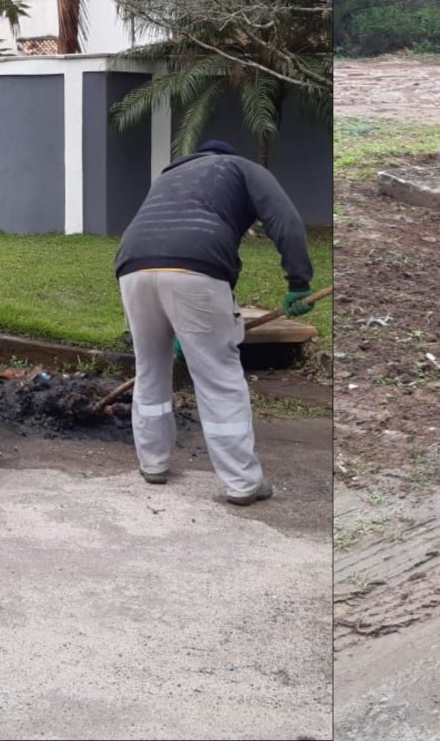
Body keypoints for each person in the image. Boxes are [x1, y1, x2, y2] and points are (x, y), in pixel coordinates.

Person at [114, 139, 315, 505]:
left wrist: (181, 328)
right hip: (197, 265)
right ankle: (243, 482)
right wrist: (298, 283)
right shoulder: (242, 168)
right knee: (218, 376)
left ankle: (153, 463)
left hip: (133, 266)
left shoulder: (168, 176)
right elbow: (283, 219)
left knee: (150, 370)